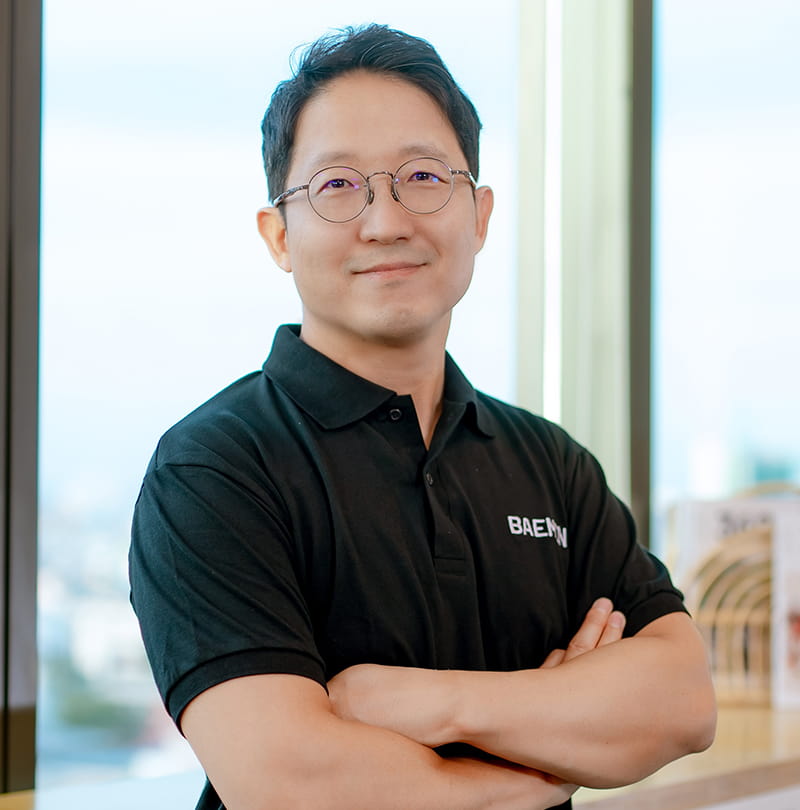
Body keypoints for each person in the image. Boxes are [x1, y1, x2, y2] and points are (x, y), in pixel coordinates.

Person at [129, 23, 716, 810]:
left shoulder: (549, 462)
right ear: (278, 234)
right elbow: (288, 782)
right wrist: (544, 763)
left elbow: (680, 702)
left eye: (422, 177)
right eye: (338, 186)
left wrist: (438, 703)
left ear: (477, 214)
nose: (386, 221)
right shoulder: (213, 469)